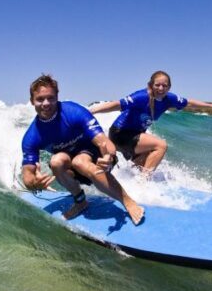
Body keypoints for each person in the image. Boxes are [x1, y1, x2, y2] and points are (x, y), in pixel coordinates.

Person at [21, 74, 145, 225]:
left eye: (50, 98)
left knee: (80, 161)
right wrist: (33, 182)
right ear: (32, 101)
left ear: (57, 97)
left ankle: (127, 201)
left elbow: (104, 142)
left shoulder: (73, 112)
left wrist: (109, 156)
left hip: (98, 159)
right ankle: (80, 201)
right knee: (56, 161)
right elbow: (27, 174)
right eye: (40, 99)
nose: (46, 103)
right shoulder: (32, 136)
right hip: (74, 170)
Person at [90, 70, 212, 177]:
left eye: (164, 85)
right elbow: (117, 104)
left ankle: (129, 183)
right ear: (151, 85)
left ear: (169, 87)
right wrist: (93, 111)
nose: (161, 88)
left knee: (143, 162)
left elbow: (188, 102)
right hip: (121, 133)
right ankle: (144, 182)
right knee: (161, 145)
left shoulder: (169, 99)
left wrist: (211, 106)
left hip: (135, 135)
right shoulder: (141, 97)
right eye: (157, 85)